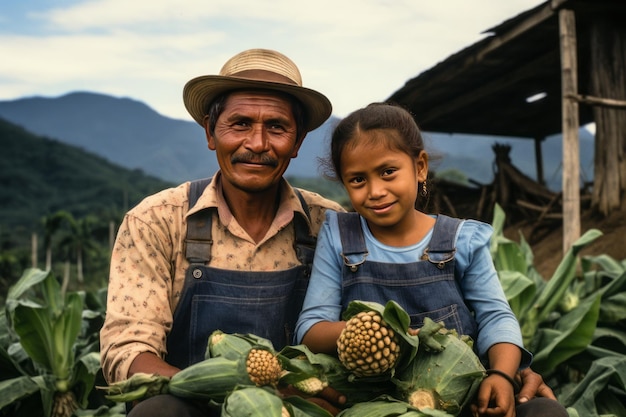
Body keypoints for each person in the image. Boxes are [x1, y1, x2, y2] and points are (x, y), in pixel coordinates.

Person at [99, 49, 561, 417]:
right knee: (158, 410)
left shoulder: (331, 222)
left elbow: (484, 310)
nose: (257, 144)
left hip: (311, 404)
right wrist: (251, 387)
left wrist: (512, 369)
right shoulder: (159, 220)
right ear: (210, 132)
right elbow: (127, 351)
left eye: (276, 127)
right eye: (240, 124)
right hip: (201, 405)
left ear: (297, 142)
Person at [295, 102, 569, 417]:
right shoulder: (339, 237)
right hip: (374, 402)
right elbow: (311, 329)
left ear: (420, 167)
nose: (376, 191)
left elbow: (496, 317)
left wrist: (502, 375)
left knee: (545, 412)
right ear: (345, 184)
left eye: (388, 172)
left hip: (460, 399)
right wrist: (379, 331)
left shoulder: (461, 240)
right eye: (358, 180)